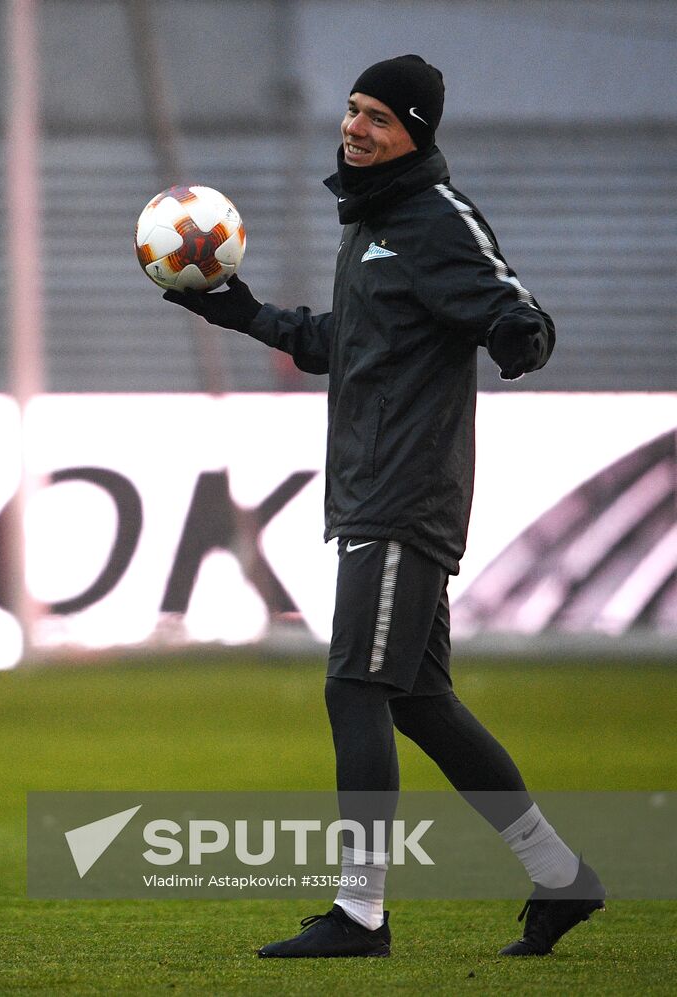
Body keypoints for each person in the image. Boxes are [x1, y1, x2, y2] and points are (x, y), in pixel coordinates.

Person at [164, 55, 605, 958]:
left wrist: (519, 338)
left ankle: (360, 912)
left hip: (405, 495)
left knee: (353, 685)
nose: (355, 127)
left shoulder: (433, 218)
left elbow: (517, 311)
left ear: (417, 132)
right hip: (373, 490)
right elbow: (340, 343)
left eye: (379, 118)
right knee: (419, 700)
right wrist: (239, 311)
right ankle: (561, 876)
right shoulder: (374, 225)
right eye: (353, 110)